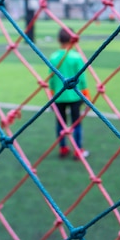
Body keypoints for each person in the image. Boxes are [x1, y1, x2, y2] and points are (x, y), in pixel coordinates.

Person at [48, 27, 90, 159]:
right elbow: (82, 79)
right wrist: (87, 95)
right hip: (75, 97)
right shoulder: (76, 57)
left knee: (60, 123)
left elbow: (51, 80)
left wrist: (51, 96)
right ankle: (78, 150)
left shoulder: (54, 57)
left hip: (59, 96)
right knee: (76, 123)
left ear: (58, 40)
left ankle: (63, 148)